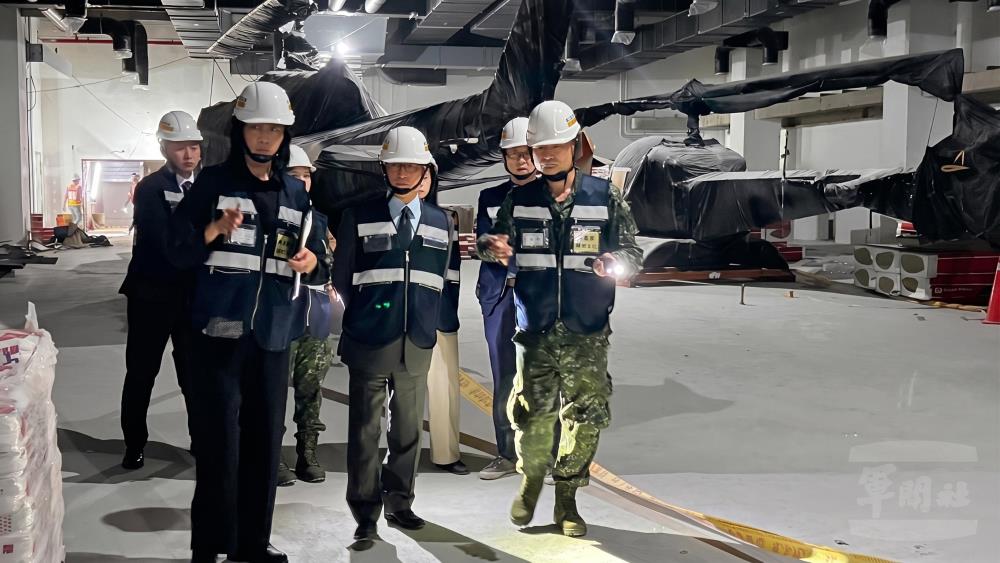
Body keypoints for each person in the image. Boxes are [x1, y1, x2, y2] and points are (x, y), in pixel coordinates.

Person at [169, 81, 328, 563]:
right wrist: (212, 230)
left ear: (284, 136)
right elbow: (175, 252)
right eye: (256, 127)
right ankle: (209, 546)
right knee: (219, 445)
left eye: (274, 130)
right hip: (218, 335)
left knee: (264, 445)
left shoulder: (295, 193)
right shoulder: (213, 184)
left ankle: (252, 545)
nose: (264, 137)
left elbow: (318, 258)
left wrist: (311, 264)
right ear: (240, 131)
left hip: (273, 336)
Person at [478, 100, 642, 538]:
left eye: (555, 147)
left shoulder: (603, 196)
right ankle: (531, 480)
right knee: (532, 415)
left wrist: (615, 262)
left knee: (585, 415)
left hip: (586, 331)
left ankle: (566, 497)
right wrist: (493, 247)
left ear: (574, 147)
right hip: (535, 330)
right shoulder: (519, 200)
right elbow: (489, 243)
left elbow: (633, 252)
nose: (546, 156)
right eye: (539, 149)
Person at [333, 126, 454, 545]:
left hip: (416, 343)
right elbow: (342, 278)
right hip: (369, 339)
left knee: (408, 432)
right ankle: (365, 512)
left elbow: (440, 281)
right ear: (384, 169)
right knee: (365, 432)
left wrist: (427, 323)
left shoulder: (441, 222)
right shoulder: (357, 216)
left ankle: (400, 503)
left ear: (426, 171)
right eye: (395, 165)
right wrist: (366, 317)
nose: (403, 172)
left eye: (411, 165)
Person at [118, 110, 202, 470]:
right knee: (141, 372)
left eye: (193, 146)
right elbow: (162, 244)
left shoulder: (207, 187)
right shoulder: (151, 189)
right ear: (164, 147)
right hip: (151, 296)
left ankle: (201, 439)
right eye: (180, 147)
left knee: (195, 376)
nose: (188, 154)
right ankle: (134, 443)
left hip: (191, 299)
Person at [475, 117, 538, 481]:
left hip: (538, 295)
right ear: (504, 158)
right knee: (504, 376)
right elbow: (481, 243)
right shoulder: (490, 197)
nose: (520, 160)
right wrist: (491, 247)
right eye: (513, 154)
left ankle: (542, 454)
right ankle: (506, 453)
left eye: (526, 153)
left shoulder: (552, 196)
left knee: (542, 375)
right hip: (499, 296)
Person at [276, 144, 335, 486]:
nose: (302, 181)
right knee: (273, 392)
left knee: (311, 390)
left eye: (306, 175)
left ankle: (307, 452)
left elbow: (327, 264)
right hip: (282, 317)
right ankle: (272, 453)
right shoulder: (273, 216)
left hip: (316, 318)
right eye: (294, 175)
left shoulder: (320, 219)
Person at [419, 162, 467, 476]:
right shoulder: (387, 218)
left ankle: (447, 453)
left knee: (445, 389)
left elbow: (453, 273)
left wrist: (447, 310)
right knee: (400, 393)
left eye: (426, 176)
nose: (420, 181)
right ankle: (400, 452)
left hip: (439, 314)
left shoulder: (446, 220)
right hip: (400, 316)